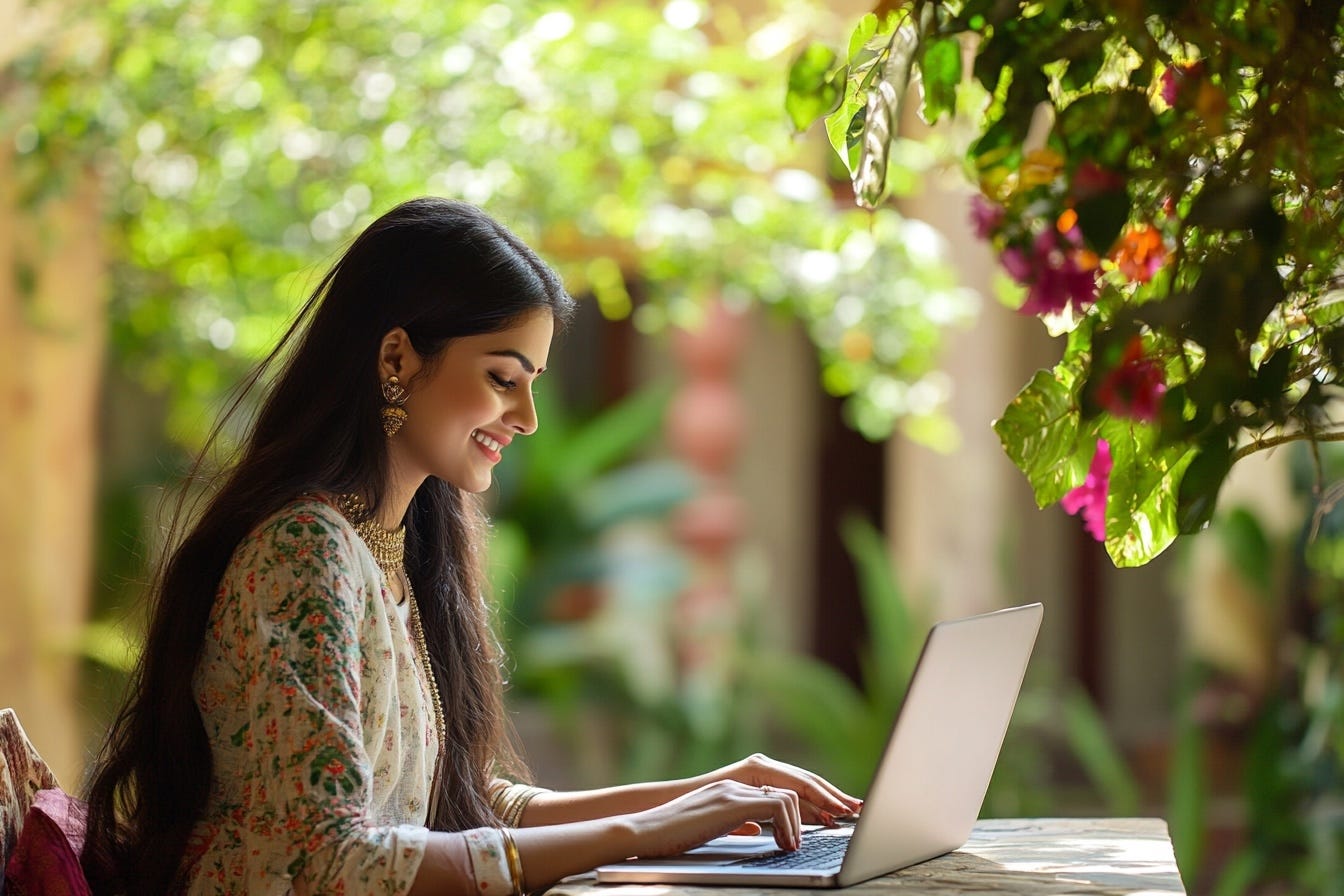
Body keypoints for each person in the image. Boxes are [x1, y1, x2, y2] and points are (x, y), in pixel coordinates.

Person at [81, 197, 861, 896]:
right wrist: (645, 835)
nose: (526, 417)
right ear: (396, 360)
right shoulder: (302, 551)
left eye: (533, 382)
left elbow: (461, 800)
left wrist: (704, 798)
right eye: (502, 377)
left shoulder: (388, 548)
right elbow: (331, 862)